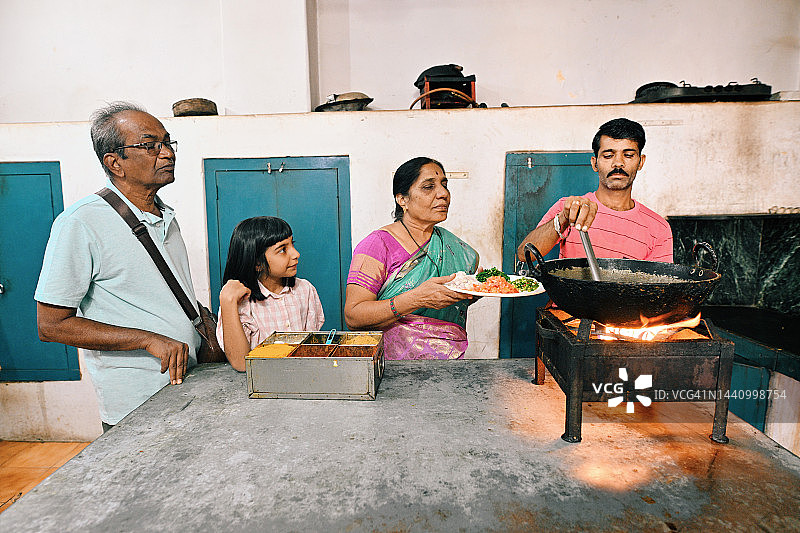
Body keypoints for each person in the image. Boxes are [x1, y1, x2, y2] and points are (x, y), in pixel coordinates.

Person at [35, 102, 199, 431]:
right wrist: (147, 339)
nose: (166, 153)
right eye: (150, 145)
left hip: (188, 389)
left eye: (167, 142)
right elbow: (51, 325)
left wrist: (201, 318)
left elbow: (158, 296)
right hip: (135, 404)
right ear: (115, 163)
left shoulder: (167, 217)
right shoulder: (81, 222)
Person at [344, 157, 479, 360]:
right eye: (428, 187)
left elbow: (444, 304)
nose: (443, 194)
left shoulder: (454, 248)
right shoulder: (377, 245)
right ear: (402, 199)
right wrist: (417, 298)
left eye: (444, 185)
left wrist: (472, 290)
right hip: (389, 367)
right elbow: (353, 315)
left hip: (447, 366)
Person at [517, 117, 673, 262]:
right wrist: (564, 219)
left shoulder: (658, 228)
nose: (618, 164)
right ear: (594, 163)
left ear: (641, 162)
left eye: (628, 155)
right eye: (608, 155)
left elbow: (659, 287)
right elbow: (525, 255)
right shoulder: (570, 208)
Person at [216, 216, 324, 371]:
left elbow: (311, 348)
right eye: (282, 250)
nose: (296, 254)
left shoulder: (304, 290)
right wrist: (227, 302)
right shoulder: (241, 303)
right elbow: (241, 364)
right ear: (257, 263)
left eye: (292, 244)